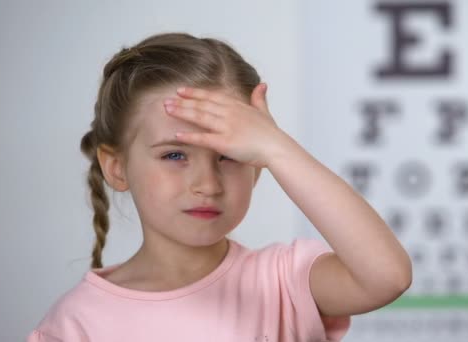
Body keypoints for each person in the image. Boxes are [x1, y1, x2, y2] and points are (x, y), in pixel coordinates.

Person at [27, 32, 412, 341]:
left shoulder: (282, 282)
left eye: (229, 156)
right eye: (175, 155)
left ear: (258, 167)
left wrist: (278, 149)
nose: (208, 185)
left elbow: (388, 277)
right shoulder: (76, 325)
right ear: (117, 167)